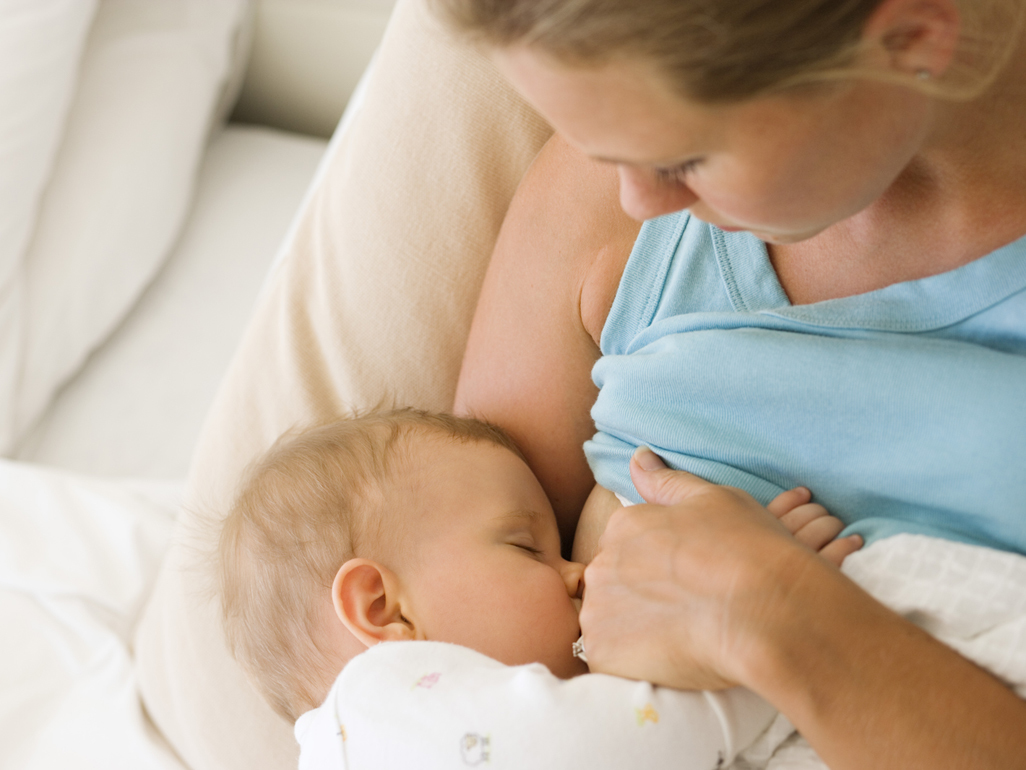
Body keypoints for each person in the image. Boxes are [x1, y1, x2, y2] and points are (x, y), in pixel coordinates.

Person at [435, 0, 1026, 767]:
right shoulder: (606, 214)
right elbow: (446, 649)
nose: (636, 202)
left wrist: (769, 612)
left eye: (683, 159)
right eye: (597, 149)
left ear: (911, 36)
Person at [217, 408, 858, 768]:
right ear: (383, 610)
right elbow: (616, 745)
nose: (578, 572)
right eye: (526, 548)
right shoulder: (385, 706)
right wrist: (749, 618)